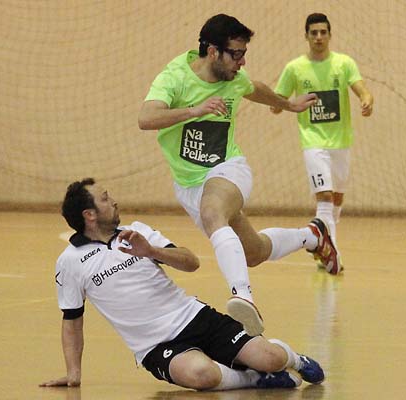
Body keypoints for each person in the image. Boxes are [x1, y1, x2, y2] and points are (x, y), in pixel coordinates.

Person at [138, 14, 339, 336]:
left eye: (244, 54)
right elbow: (146, 118)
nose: (242, 62)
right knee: (253, 252)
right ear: (212, 52)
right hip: (189, 184)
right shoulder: (175, 77)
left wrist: (288, 104)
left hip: (227, 168)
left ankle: (242, 297)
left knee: (212, 212)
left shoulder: (234, 78)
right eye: (236, 54)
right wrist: (194, 110)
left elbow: (255, 88)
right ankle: (313, 235)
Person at [39, 178, 325, 391]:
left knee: (270, 357)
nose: (113, 201)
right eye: (104, 199)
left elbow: (191, 262)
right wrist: (73, 373)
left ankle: (293, 360)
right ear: (89, 214)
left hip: (194, 316)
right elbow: (72, 320)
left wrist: (151, 251)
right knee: (202, 374)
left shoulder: (137, 231)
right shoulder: (70, 261)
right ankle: (254, 379)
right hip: (154, 345)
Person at [271, 13, 373, 274]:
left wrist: (366, 99)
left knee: (337, 196)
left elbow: (360, 87)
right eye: (313, 33)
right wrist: (281, 104)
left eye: (322, 32)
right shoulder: (295, 68)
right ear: (306, 36)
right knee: (324, 196)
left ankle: (324, 243)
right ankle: (332, 253)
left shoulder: (343, 63)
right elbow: (278, 100)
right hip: (313, 141)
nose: (318, 37)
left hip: (341, 141)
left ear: (330, 35)